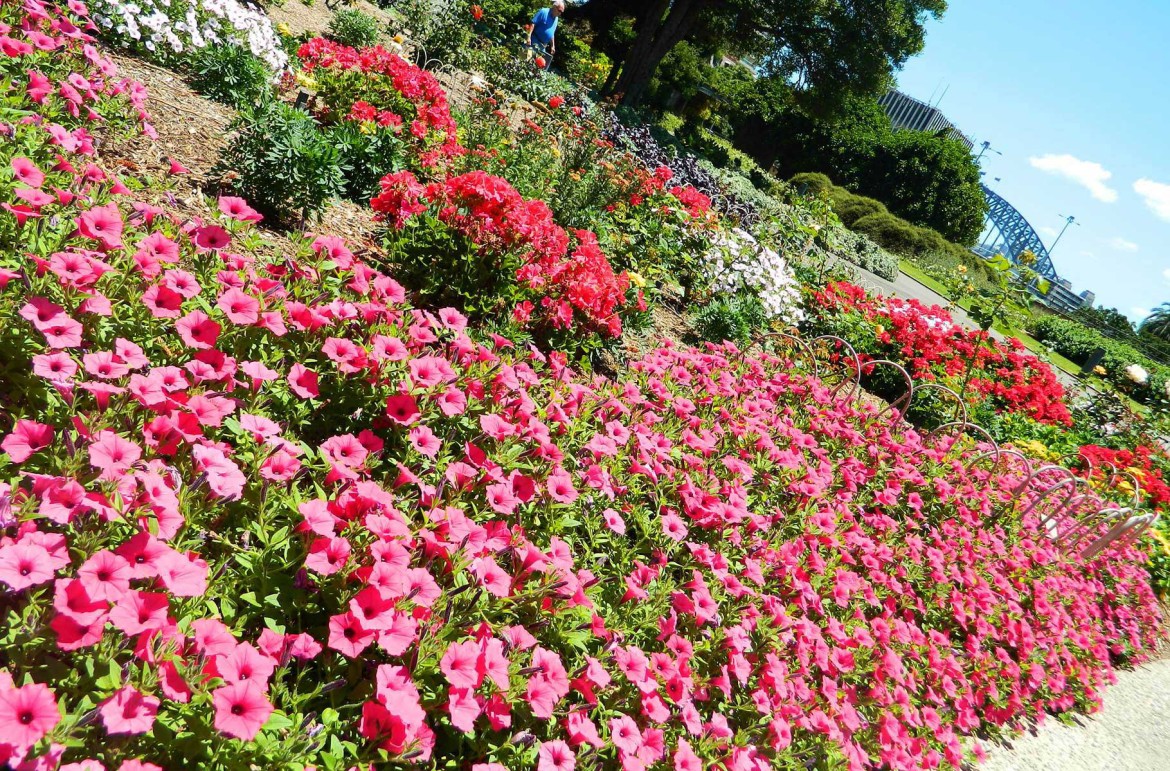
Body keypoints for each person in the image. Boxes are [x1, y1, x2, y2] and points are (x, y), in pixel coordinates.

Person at [525, 0, 564, 69]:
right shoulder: (544, 11)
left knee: (538, 67)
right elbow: (533, 24)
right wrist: (528, 37)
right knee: (525, 61)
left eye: (561, 12)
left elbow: (552, 33)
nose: (560, 13)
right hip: (534, 42)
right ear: (554, 7)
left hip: (542, 47)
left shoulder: (556, 19)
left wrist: (553, 46)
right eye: (559, 10)